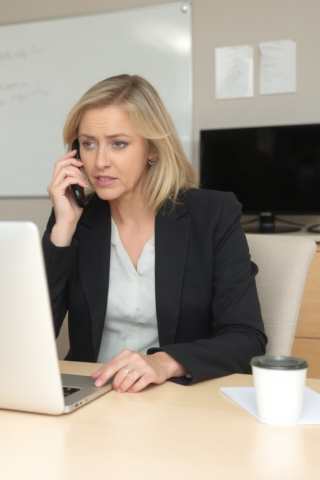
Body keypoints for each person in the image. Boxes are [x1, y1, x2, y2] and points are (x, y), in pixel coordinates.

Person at [43, 74, 267, 394]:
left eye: (118, 143)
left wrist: (164, 362)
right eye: (88, 143)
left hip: (177, 395)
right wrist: (62, 231)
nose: (100, 162)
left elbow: (247, 337)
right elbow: (33, 337)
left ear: (152, 149)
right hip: (91, 394)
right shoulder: (73, 218)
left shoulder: (213, 214)